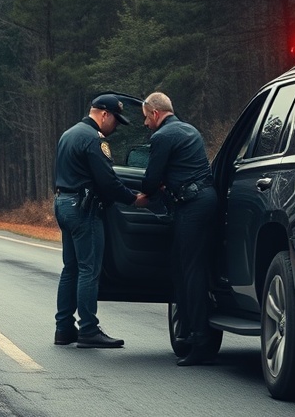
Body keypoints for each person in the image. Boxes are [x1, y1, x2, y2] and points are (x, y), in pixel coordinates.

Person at [53, 94, 147, 348]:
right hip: (84, 209)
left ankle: (63, 328)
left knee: (70, 268)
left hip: (63, 203)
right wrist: (133, 199)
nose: (116, 126)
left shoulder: (69, 133)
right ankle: (88, 330)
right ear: (104, 114)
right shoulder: (94, 140)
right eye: (116, 120)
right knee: (88, 270)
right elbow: (107, 180)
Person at [137, 92, 219, 366]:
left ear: (156, 113)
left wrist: (150, 191)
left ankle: (200, 341)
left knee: (189, 272)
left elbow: (149, 181)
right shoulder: (189, 130)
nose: (146, 124)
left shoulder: (162, 137)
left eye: (146, 118)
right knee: (192, 268)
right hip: (206, 200)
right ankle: (190, 335)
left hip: (191, 206)